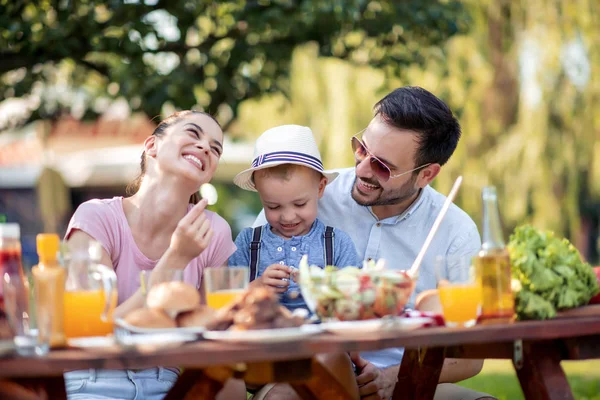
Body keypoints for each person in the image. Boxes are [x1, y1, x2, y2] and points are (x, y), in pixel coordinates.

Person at [254, 87, 495, 400]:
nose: (363, 169)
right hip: (307, 374)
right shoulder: (304, 198)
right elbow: (247, 287)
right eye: (361, 149)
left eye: (383, 166)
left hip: (407, 378)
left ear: (426, 174)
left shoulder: (456, 231)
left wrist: (394, 377)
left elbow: (470, 357)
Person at [63, 110, 245, 400]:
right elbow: (92, 335)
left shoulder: (212, 231)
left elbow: (210, 333)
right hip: (94, 379)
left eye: (215, 148)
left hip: (165, 382)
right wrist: (176, 259)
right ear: (152, 146)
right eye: (193, 134)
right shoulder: (96, 217)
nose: (205, 148)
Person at [228, 125, 362, 311]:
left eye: (300, 204)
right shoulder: (248, 243)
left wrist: (323, 287)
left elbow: (358, 296)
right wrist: (256, 288)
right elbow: (226, 304)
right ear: (260, 195)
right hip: (262, 335)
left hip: (321, 338)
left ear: (321, 188)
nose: (288, 217)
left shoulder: (337, 243)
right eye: (273, 206)